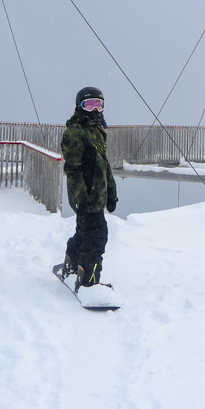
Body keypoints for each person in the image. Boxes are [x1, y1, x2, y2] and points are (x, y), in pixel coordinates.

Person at [61, 86, 117, 287]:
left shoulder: (98, 132)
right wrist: (81, 198)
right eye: (90, 104)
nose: (95, 110)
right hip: (86, 197)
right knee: (96, 237)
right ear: (80, 107)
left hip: (98, 195)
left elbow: (104, 165)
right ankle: (89, 281)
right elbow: (73, 169)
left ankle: (72, 260)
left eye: (98, 104)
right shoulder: (75, 133)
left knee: (86, 231)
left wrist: (111, 193)